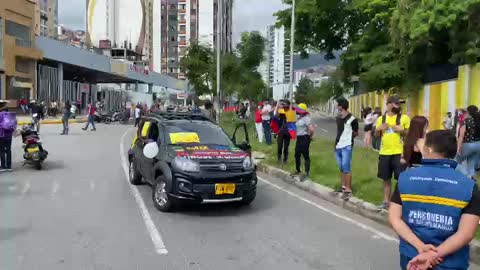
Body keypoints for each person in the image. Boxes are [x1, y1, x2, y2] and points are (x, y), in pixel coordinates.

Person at [389, 130, 480, 270]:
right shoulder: (469, 186)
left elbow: (395, 218)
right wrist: (434, 255)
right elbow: (466, 233)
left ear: (428, 149)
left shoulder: (405, 178)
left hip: (412, 258)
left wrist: (420, 247)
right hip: (451, 262)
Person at [375, 96, 411, 209]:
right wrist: (378, 129)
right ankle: (386, 201)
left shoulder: (404, 118)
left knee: (401, 178)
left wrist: (402, 130)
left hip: (399, 152)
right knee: (386, 178)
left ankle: (400, 202)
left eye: (400, 104)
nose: (399, 106)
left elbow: (409, 134)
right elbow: (376, 136)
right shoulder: (382, 118)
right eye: (397, 104)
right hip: (385, 152)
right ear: (389, 105)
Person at [335, 98, 359, 200]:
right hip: (337, 145)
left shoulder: (352, 119)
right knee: (341, 167)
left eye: (337, 104)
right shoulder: (338, 118)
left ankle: (348, 189)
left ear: (341, 106)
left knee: (346, 167)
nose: (336, 106)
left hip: (347, 146)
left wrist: (348, 137)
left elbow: (356, 133)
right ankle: (343, 187)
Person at [457, 105, 480, 179]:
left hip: (468, 144)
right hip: (478, 144)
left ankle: (461, 177)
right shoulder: (478, 120)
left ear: (468, 112)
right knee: (471, 163)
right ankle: (472, 180)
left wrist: (458, 146)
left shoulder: (466, 121)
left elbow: (461, 135)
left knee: (457, 160)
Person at [293, 103, 315, 179]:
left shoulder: (306, 118)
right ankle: (298, 170)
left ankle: (306, 172)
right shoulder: (299, 117)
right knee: (297, 154)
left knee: (305, 155)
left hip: (304, 138)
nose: (297, 111)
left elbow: (311, 129)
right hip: (299, 138)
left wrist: (309, 137)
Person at [0, 100, 16, 172]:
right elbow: (14, 125)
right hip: (9, 135)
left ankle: (3, 167)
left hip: (1, 135)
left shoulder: (0, 114)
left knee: (2, 150)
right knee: (8, 150)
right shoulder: (11, 115)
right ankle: (9, 167)